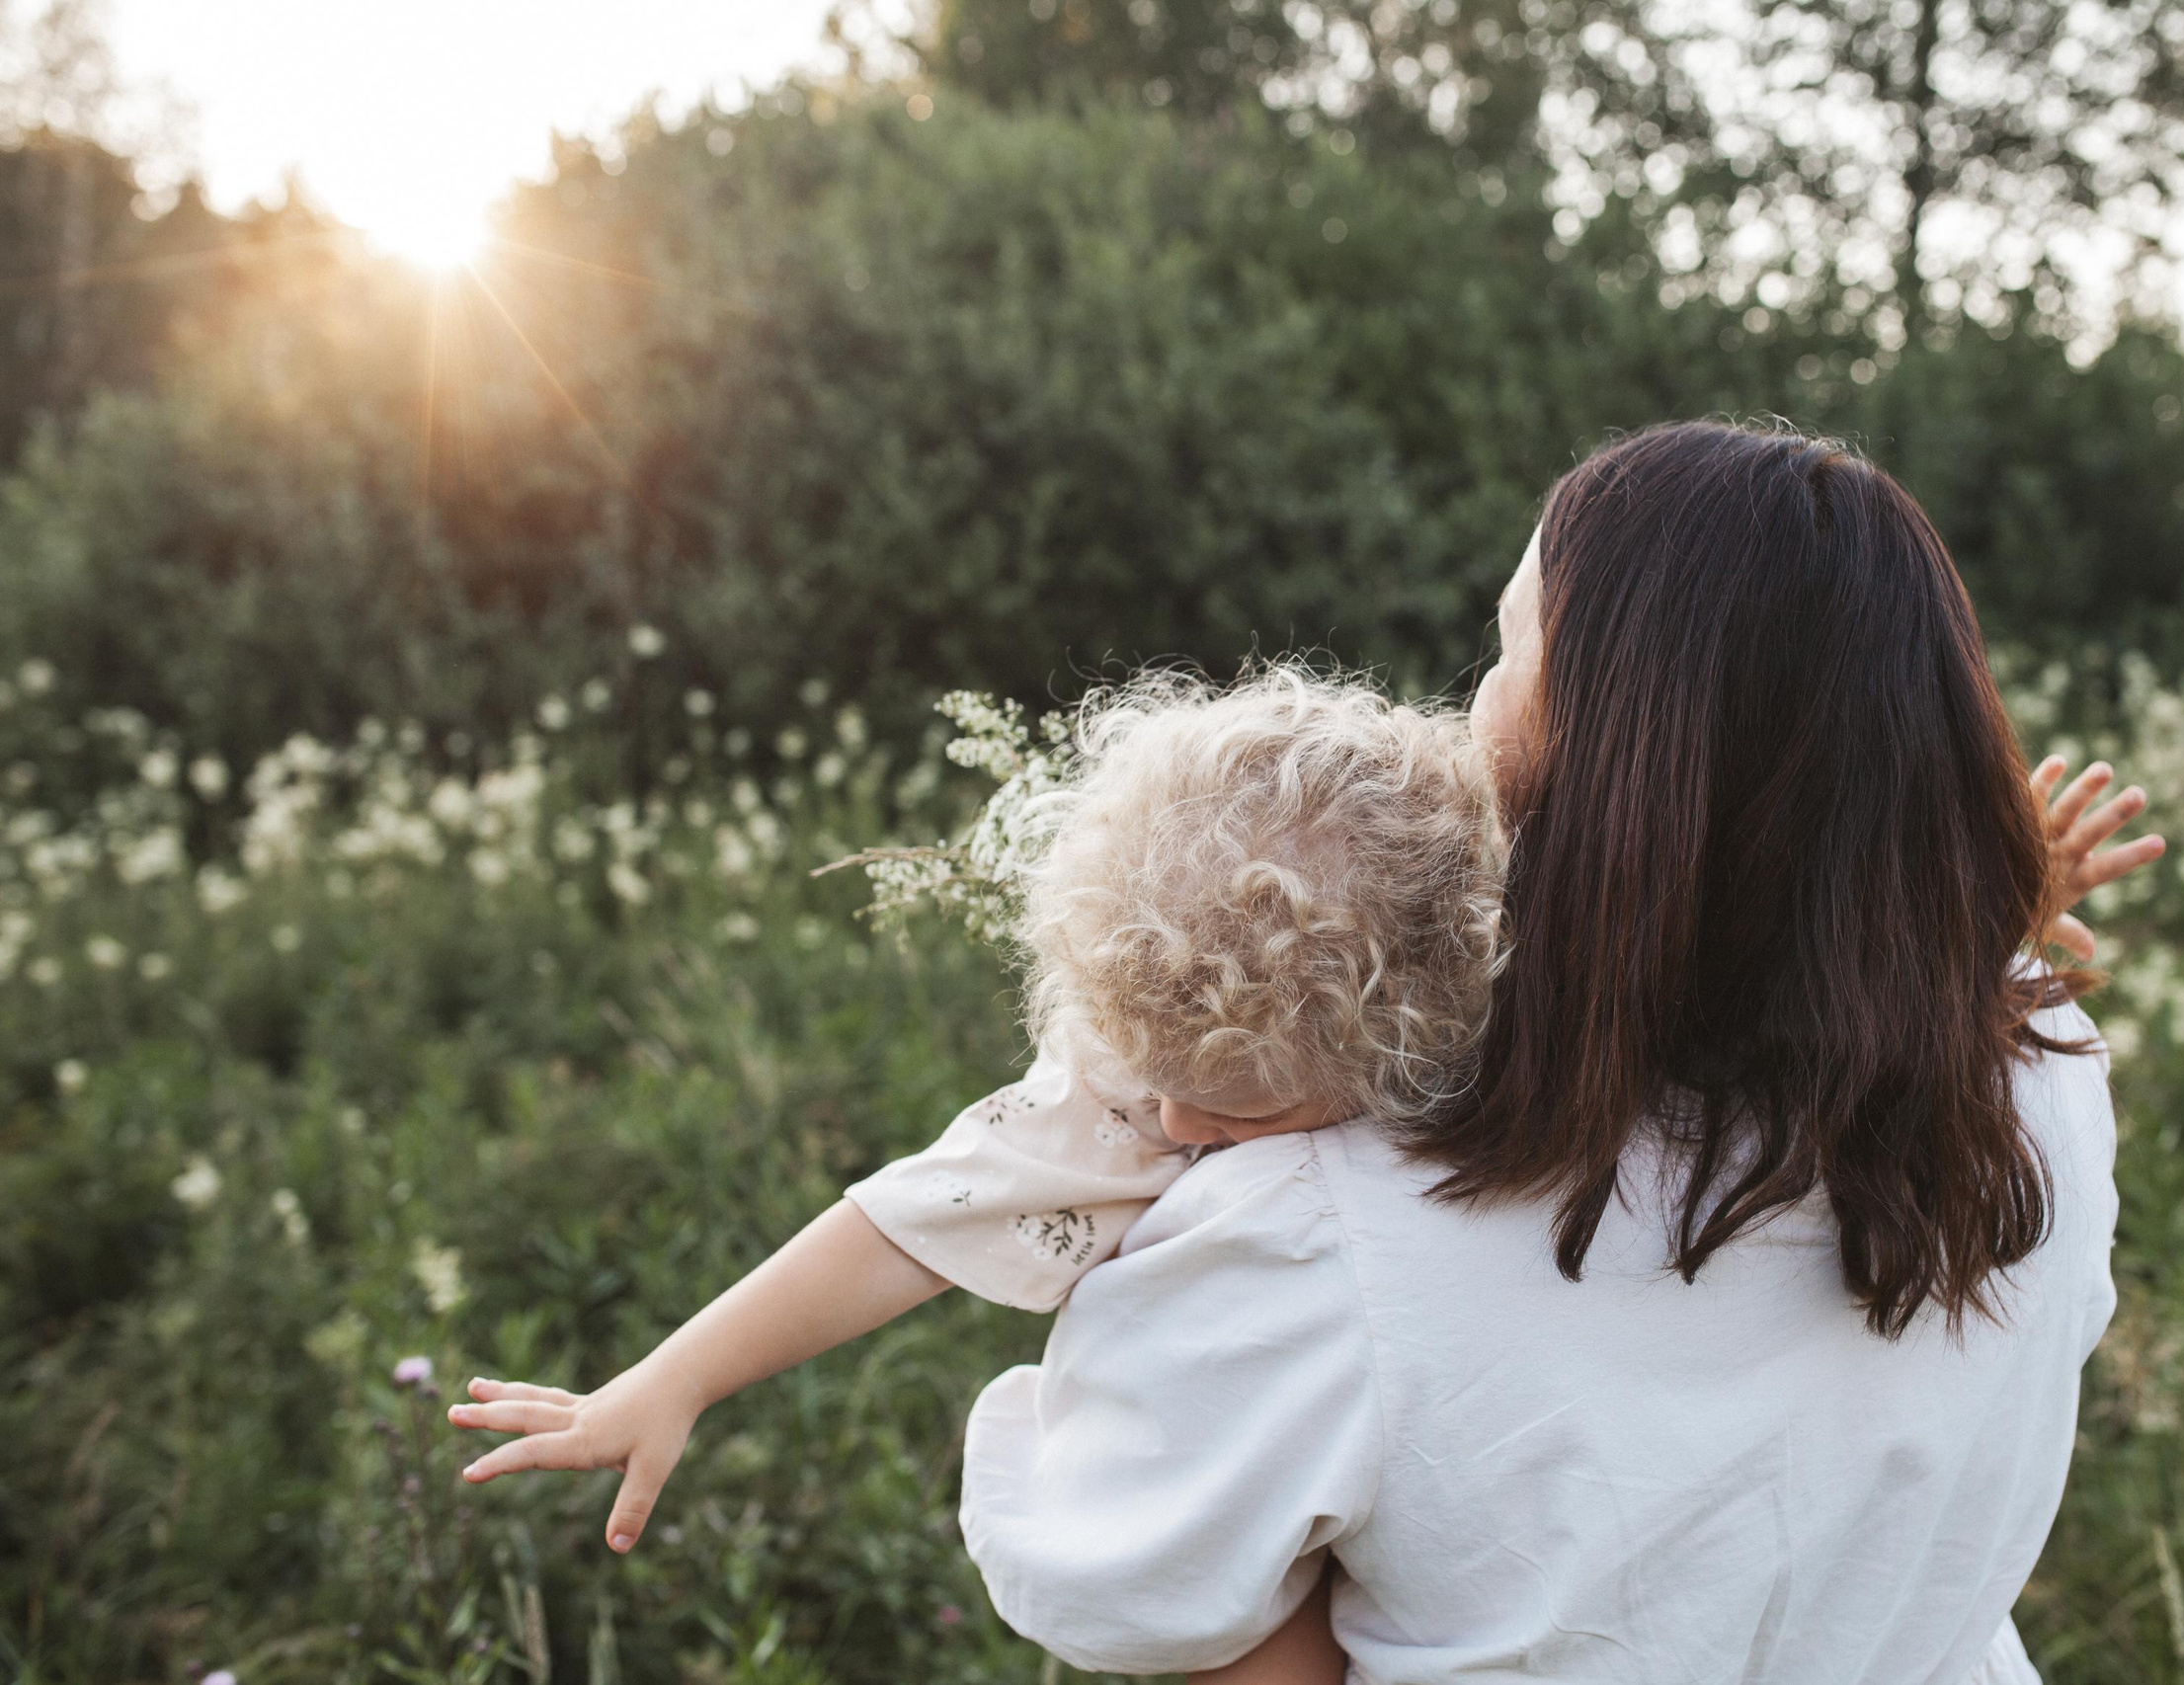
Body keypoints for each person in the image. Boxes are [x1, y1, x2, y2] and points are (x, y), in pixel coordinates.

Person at [953, 421, 2164, 1682]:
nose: (1467, 703)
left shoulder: (1320, 1226)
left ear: (1620, 770)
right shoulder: (2043, 1076)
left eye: (1507, 647)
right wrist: (1949, 920)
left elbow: (1161, 1593)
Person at [448, 668, 1510, 1685]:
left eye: (1237, 1112)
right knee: (1218, 1593)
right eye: (1157, 1083)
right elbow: (912, 1219)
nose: (1177, 1121)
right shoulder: (1135, 1084)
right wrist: (672, 1380)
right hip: (1254, 1489)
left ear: (1408, 1047)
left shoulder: (1484, 1032)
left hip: (1449, 1479)